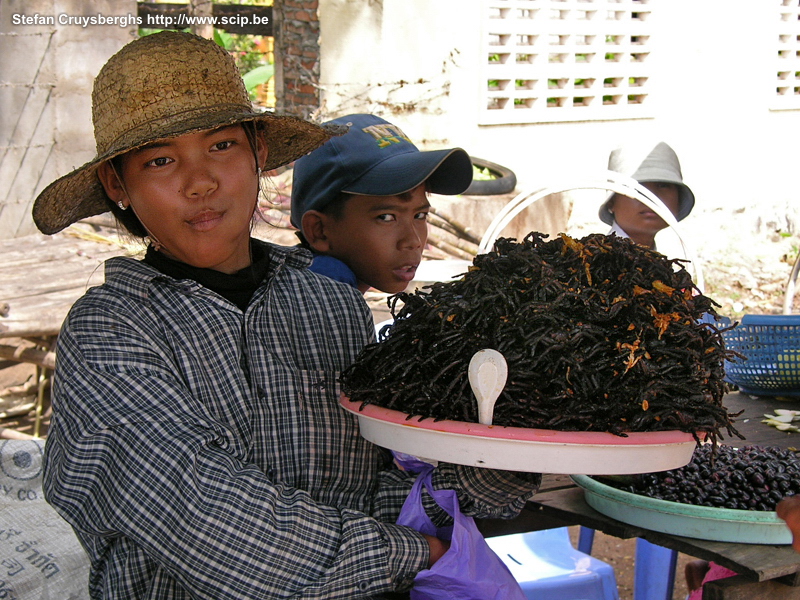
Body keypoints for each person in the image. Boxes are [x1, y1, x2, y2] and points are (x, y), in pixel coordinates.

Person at [34, 31, 540, 599]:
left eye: (222, 147)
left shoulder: (328, 304)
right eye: (160, 160)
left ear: (257, 153)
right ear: (117, 184)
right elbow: (210, 526)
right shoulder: (109, 331)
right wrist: (420, 553)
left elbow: (367, 486)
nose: (200, 182)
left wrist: (486, 467)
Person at [290, 113, 473, 294]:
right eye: (386, 217)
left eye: (420, 215)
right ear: (319, 230)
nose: (413, 241)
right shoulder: (321, 297)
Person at [600, 141, 695, 250]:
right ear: (612, 202)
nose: (650, 196)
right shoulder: (588, 263)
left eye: (662, 185)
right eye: (637, 187)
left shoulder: (667, 264)